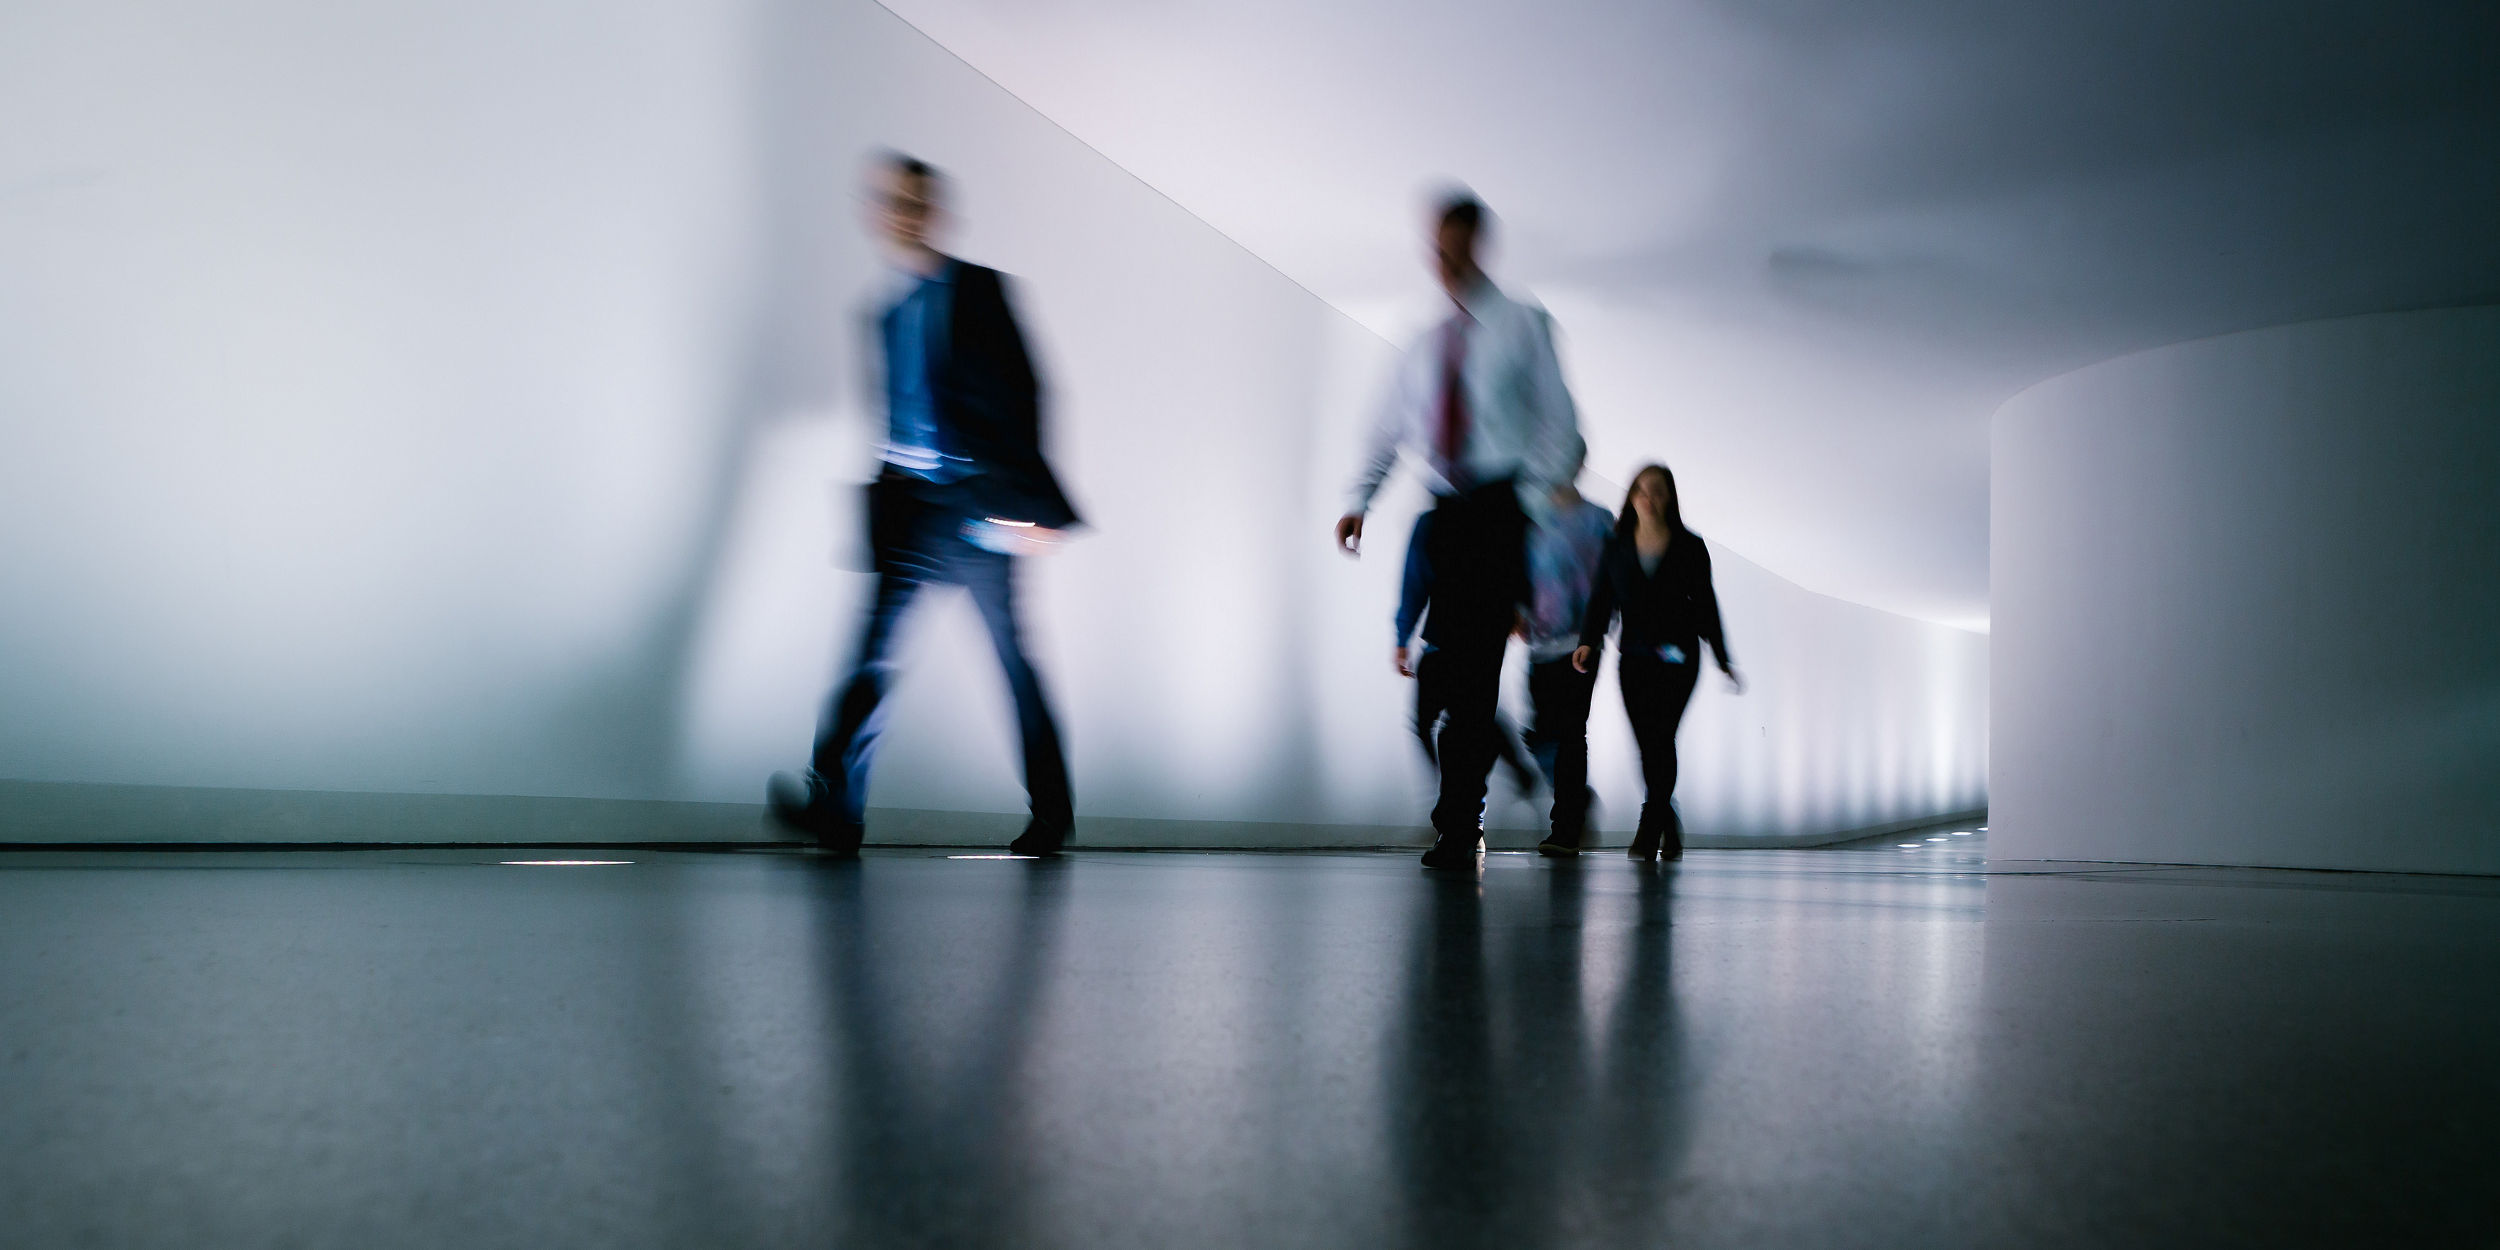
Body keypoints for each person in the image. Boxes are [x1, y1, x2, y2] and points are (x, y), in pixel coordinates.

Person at [769, 153, 1080, 858]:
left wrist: (1025, 504)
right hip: (909, 506)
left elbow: (1027, 393)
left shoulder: (980, 292)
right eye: (893, 202)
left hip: (978, 506)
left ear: (935, 213)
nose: (905, 214)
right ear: (878, 213)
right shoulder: (882, 314)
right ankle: (835, 811)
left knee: (1013, 663)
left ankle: (1052, 816)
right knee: (869, 659)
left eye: (917, 202)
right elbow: (900, 414)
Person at [1338, 191, 1585, 869]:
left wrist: (1526, 501)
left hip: (1500, 509)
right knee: (1448, 675)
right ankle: (1457, 818)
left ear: (1479, 245)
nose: (1443, 259)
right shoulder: (1421, 346)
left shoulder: (1523, 324)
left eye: (1455, 244)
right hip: (1445, 512)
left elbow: (1561, 426)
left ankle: (1457, 825)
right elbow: (1388, 428)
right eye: (1436, 247)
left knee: (1473, 679)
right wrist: (1360, 497)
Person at [1573, 464, 1741, 861]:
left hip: (1679, 659)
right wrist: (1588, 642)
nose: (1650, 497)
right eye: (1643, 490)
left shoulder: (1689, 546)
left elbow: (1705, 604)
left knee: (1661, 738)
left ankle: (1650, 823)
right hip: (1633, 658)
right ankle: (1666, 817)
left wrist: (1722, 658)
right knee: (1647, 744)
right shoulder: (1616, 546)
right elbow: (1601, 599)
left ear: (1670, 498)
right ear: (1632, 496)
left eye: (1659, 491)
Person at [1395, 509, 1539, 794]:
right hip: (1453, 639)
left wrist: (1520, 609)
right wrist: (1402, 636)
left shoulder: (1501, 517)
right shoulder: (1436, 522)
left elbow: (1523, 566)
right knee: (1463, 719)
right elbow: (1416, 579)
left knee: (1466, 719)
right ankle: (1459, 797)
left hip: (1471, 639)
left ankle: (1456, 801)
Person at [1522, 461, 1616, 856]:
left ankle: (1566, 828)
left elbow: (1612, 578)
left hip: (1583, 643)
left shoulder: (1599, 519)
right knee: (1540, 734)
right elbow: (1522, 572)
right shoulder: (1533, 518)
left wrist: (1599, 633)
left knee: (1571, 731)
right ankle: (1576, 798)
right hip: (1540, 642)